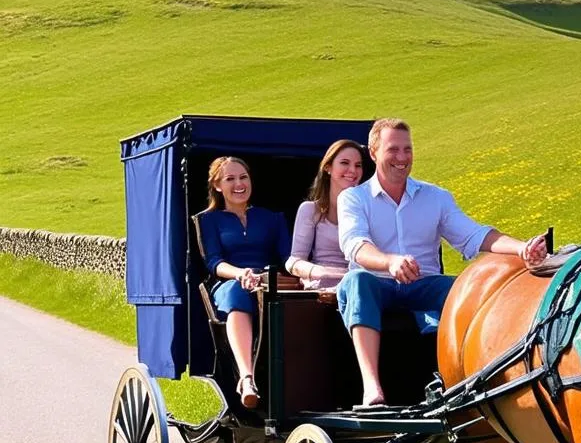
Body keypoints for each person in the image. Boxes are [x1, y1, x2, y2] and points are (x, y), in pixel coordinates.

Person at [337, 117, 548, 406]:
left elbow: (473, 235)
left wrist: (522, 248)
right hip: (377, 284)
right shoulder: (353, 198)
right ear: (373, 153)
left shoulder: (435, 197)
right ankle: (372, 388)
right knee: (356, 281)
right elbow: (355, 246)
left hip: (424, 284)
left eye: (407, 150)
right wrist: (389, 263)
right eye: (393, 150)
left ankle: (468, 380)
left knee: (466, 287)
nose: (402, 158)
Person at [197, 156, 290, 409]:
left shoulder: (272, 219)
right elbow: (214, 262)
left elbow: (287, 258)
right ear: (217, 186)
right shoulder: (209, 220)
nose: (239, 184)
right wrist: (240, 273)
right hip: (229, 282)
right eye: (230, 179)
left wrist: (269, 277)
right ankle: (246, 379)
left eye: (243, 177)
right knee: (237, 292)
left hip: (267, 280)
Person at [285, 139, 366, 287]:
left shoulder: (368, 210)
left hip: (357, 284)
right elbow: (294, 261)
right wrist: (317, 272)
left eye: (358, 165)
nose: (353, 170)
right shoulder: (310, 210)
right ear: (328, 167)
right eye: (345, 163)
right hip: (321, 286)